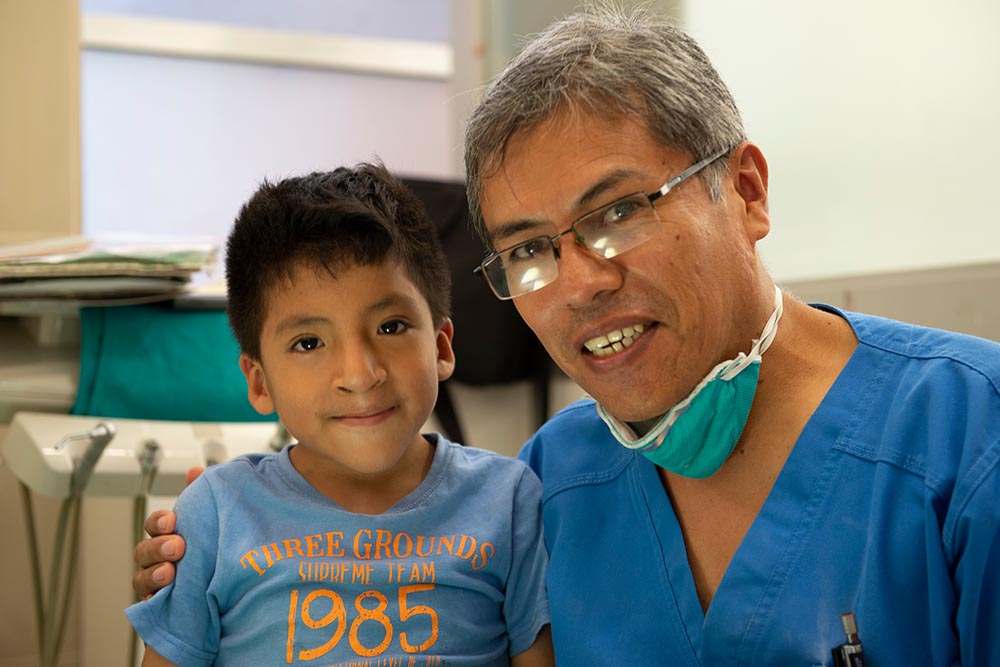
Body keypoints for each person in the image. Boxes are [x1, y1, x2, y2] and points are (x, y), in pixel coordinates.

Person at [133, 6, 1000, 666]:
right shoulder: (554, 485)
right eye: (528, 250)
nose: (580, 279)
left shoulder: (967, 439)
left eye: (618, 212)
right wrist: (202, 566)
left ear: (745, 190)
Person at [125, 163, 553, 667]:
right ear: (260, 382)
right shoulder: (215, 515)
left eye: (391, 327)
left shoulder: (509, 501)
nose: (359, 373)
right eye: (309, 342)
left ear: (440, 347)